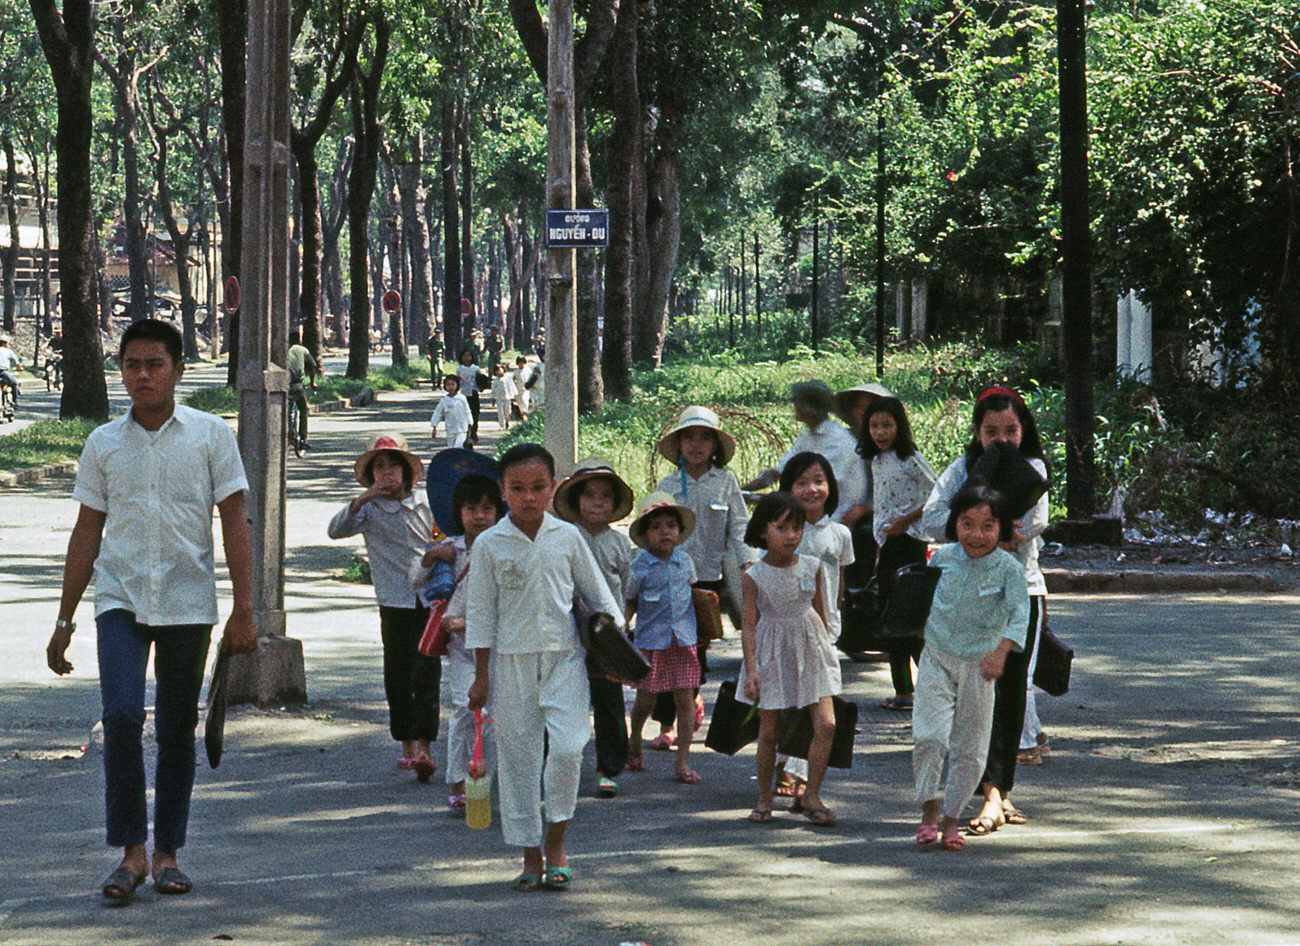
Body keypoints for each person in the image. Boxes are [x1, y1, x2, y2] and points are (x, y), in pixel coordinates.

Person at [45, 318, 256, 903]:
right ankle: (130, 853)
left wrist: (245, 609)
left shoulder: (211, 436)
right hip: (121, 600)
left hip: (189, 602)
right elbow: (87, 531)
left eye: (154, 364)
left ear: (178, 371)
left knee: (174, 731)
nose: (142, 375)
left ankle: (167, 853)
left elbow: (235, 523)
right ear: (121, 372)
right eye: (132, 365)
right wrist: (63, 621)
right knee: (117, 716)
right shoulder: (103, 444)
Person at [465, 444, 624, 892]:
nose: (529, 497)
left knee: (570, 748)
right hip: (510, 664)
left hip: (565, 660)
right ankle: (530, 854)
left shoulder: (568, 537)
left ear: (553, 488)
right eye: (517, 488)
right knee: (518, 761)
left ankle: (557, 840)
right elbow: (480, 616)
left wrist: (616, 651)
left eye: (538, 487)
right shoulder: (490, 545)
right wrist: (480, 677)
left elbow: (602, 598)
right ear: (503, 491)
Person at [921, 387, 1050, 836]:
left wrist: (991, 529)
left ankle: (998, 792)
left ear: (1024, 430)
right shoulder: (962, 470)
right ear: (977, 433)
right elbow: (930, 516)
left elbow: (1030, 526)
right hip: (966, 604)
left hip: (1019, 593)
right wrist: (972, 520)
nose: (1001, 440)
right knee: (971, 700)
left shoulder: (1032, 469)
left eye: (1010, 430)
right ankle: (967, 789)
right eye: (991, 431)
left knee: (1010, 692)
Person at [912, 485, 1029, 852]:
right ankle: (928, 811)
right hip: (937, 657)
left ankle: (950, 820)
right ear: (954, 524)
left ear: (1002, 529)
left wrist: (1002, 652)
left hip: (981, 666)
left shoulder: (1009, 569)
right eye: (967, 524)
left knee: (972, 748)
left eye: (987, 526)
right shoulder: (941, 558)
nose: (976, 535)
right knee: (929, 736)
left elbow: (1020, 614)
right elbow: (919, 599)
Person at [328, 433, 441, 782]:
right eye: (379, 467)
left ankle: (425, 747)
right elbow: (335, 530)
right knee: (397, 672)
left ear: (407, 472)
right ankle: (406, 744)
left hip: (428, 600)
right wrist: (363, 499)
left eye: (394, 466)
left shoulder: (425, 503)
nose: (387, 473)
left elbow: (443, 536)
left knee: (427, 672)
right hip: (392, 601)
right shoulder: (368, 511)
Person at [651, 406, 755, 749]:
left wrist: (747, 566)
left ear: (715, 445)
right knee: (667, 649)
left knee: (696, 650)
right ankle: (668, 723)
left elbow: (739, 527)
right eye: (689, 437)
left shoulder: (725, 482)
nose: (696, 445)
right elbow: (651, 531)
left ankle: (689, 704)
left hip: (708, 580)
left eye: (704, 438)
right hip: (670, 579)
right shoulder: (667, 485)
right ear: (679, 444)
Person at [740, 492, 839, 827]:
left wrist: (828, 654)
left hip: (811, 647)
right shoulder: (754, 575)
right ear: (764, 530)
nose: (791, 535)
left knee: (826, 724)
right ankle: (764, 797)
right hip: (772, 650)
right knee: (770, 731)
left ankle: (811, 793)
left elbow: (821, 613)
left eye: (796, 527)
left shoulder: (812, 567)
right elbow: (749, 625)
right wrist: (752, 670)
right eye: (782, 527)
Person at [553, 456, 636, 798]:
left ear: (615, 503)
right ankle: (559, 767)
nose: (597, 502)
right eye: (589, 495)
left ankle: (608, 767)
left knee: (609, 701)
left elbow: (629, 592)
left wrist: (625, 627)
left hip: (608, 635)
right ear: (576, 500)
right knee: (564, 701)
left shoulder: (619, 544)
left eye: (605, 495)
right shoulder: (564, 537)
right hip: (568, 631)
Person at [423, 470, 505, 813]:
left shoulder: (505, 549)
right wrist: (430, 558)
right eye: (472, 508)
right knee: (463, 711)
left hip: (498, 647)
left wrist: (467, 621)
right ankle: (458, 780)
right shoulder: (450, 549)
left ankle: (484, 781)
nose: (480, 516)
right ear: (459, 512)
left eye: (487, 508)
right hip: (460, 648)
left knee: (495, 718)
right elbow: (418, 581)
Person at [775, 452, 854, 799]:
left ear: (831, 486)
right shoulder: (781, 531)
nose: (811, 489)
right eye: (802, 482)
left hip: (824, 630)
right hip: (785, 627)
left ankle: (801, 770)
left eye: (819, 481)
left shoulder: (839, 534)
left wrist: (833, 621)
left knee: (817, 704)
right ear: (788, 488)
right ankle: (782, 762)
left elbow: (839, 581)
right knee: (787, 701)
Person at [859, 396, 937, 711]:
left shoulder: (910, 458)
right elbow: (881, 509)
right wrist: (880, 547)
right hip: (889, 545)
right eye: (874, 425)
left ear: (899, 426)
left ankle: (932, 689)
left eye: (887, 425)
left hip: (910, 542)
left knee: (912, 620)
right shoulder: (876, 462)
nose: (880, 432)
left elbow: (936, 491)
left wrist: (906, 521)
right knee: (891, 620)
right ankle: (903, 691)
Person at [625, 492, 703, 785]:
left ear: (679, 531)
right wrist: (622, 626)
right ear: (645, 534)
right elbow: (631, 600)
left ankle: (682, 762)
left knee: (685, 700)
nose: (665, 532)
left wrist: (703, 633)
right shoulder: (640, 566)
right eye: (656, 527)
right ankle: (634, 742)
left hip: (683, 640)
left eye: (671, 525)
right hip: (651, 641)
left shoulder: (685, 562)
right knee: (646, 699)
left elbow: (695, 597)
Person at [743, 380, 868, 530]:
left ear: (806, 408)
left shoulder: (838, 442)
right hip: (809, 514)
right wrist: (741, 490)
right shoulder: (808, 436)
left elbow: (817, 489)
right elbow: (778, 472)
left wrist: (759, 499)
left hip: (834, 521)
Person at [833, 382, 894, 585]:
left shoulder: (892, 447)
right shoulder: (843, 440)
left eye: (870, 408)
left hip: (881, 515)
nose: (863, 413)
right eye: (859, 407)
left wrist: (866, 508)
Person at [286, 329, 318, 448]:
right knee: (303, 410)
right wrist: (313, 382)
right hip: (297, 385)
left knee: (285, 410)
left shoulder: (284, 350)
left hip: (285, 385)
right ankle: (303, 438)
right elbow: (312, 367)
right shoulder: (303, 350)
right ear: (299, 340)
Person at [430, 374, 472, 449]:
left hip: (461, 429)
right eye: (448, 385)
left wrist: (470, 425)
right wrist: (434, 427)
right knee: (451, 448)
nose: (450, 387)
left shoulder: (462, 398)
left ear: (457, 385)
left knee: (458, 447)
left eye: (453, 384)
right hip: (450, 429)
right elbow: (437, 413)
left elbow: (467, 412)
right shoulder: (444, 400)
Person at [456, 347, 487, 443]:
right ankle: (466, 433)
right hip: (463, 394)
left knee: (475, 413)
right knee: (464, 414)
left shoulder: (475, 368)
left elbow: (481, 379)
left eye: (468, 356)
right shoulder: (460, 369)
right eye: (464, 356)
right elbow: (456, 382)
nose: (466, 358)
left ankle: (474, 431)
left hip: (474, 393)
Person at [490, 363, 518, 432]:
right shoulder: (495, 380)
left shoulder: (508, 378)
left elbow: (512, 387)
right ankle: (501, 425)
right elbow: (493, 390)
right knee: (500, 412)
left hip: (507, 397)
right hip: (499, 398)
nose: (499, 371)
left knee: (507, 411)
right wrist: (493, 398)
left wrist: (514, 395)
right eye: (497, 370)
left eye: (500, 369)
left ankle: (507, 421)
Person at [0, 335, 20, 405]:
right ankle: (14, 401)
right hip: (3, 372)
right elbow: (16, 362)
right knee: (14, 383)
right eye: (8, 343)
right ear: (4, 343)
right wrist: (20, 368)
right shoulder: (8, 352)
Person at [511, 355, 532, 422]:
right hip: (518, 389)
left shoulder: (528, 370)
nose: (521, 364)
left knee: (525, 400)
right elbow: (513, 380)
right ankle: (521, 414)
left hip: (526, 388)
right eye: (519, 362)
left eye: (522, 362)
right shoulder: (516, 371)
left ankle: (524, 414)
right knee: (519, 402)